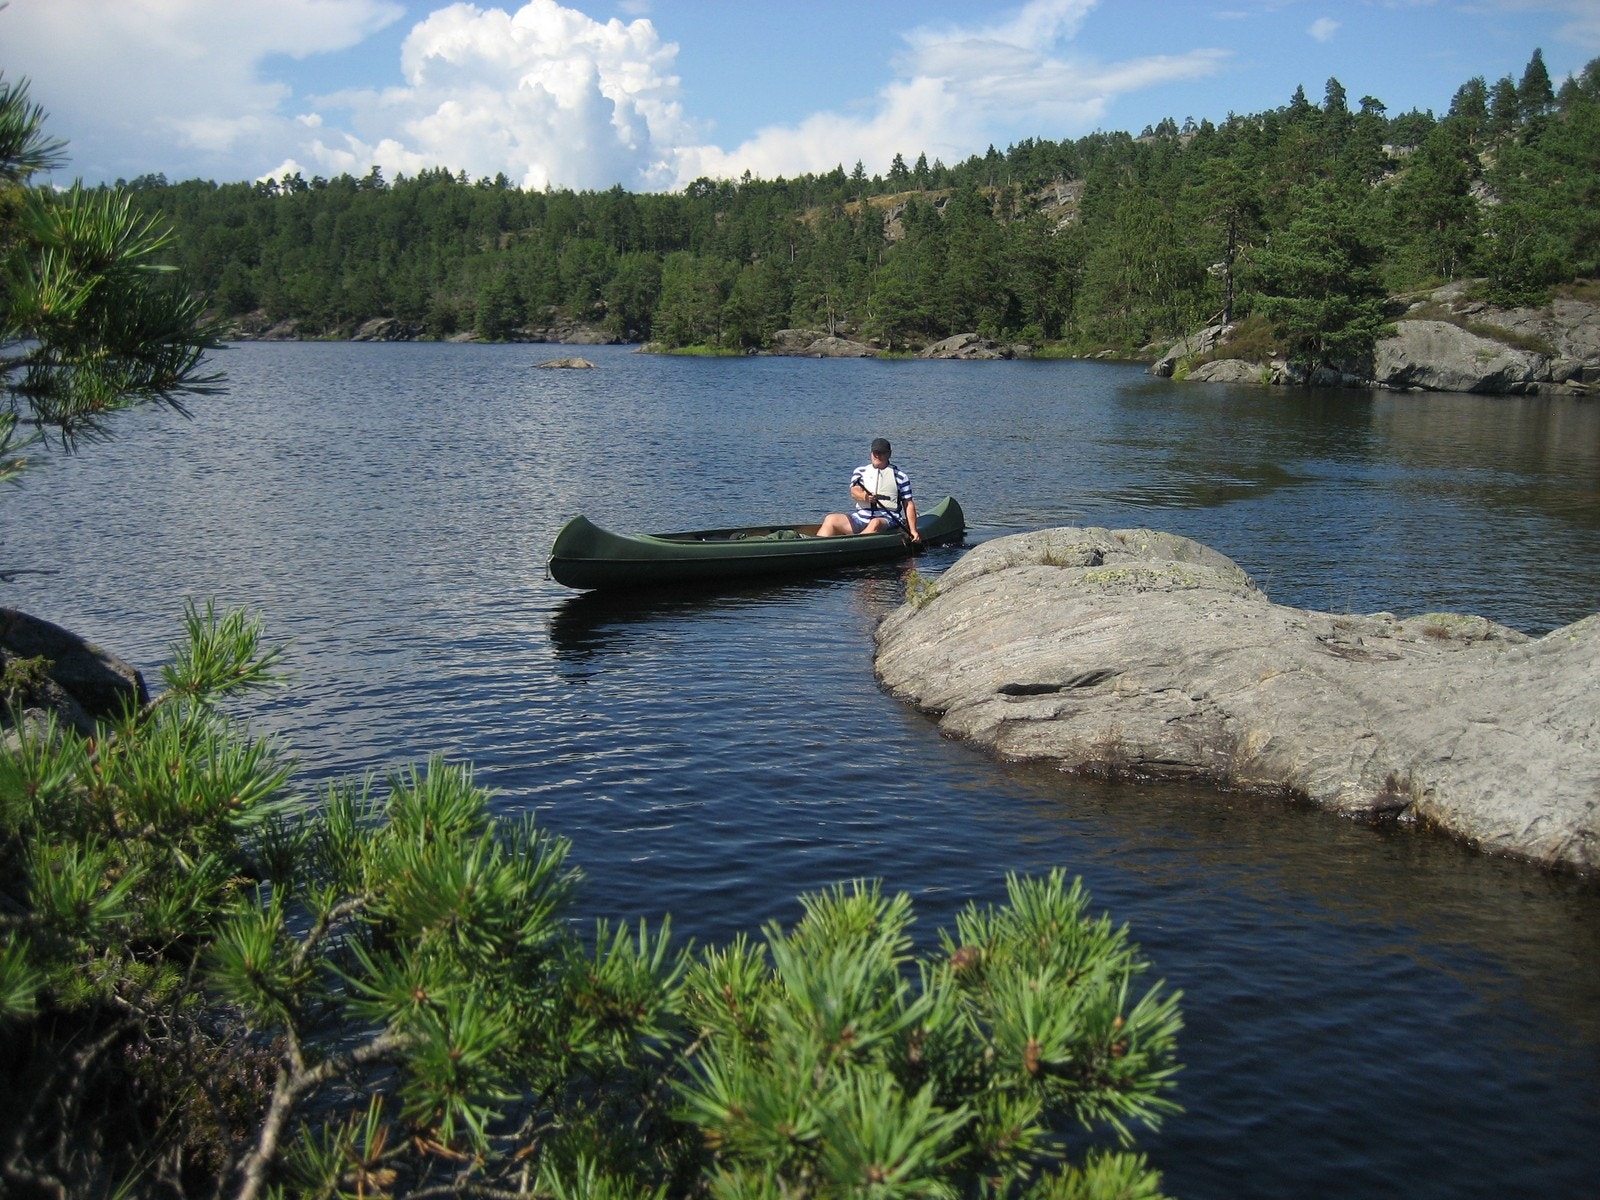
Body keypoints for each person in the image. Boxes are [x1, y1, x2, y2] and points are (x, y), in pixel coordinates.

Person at [816, 437, 920, 541]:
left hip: (888, 520)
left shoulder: (900, 477)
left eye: (881, 453)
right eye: (875, 452)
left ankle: (853, 545)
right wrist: (865, 497)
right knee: (831, 519)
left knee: (875, 523)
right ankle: (817, 547)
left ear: (889, 454)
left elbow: (908, 504)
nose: (877, 455)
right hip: (861, 518)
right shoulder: (860, 472)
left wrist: (913, 530)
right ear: (871, 453)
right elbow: (854, 491)